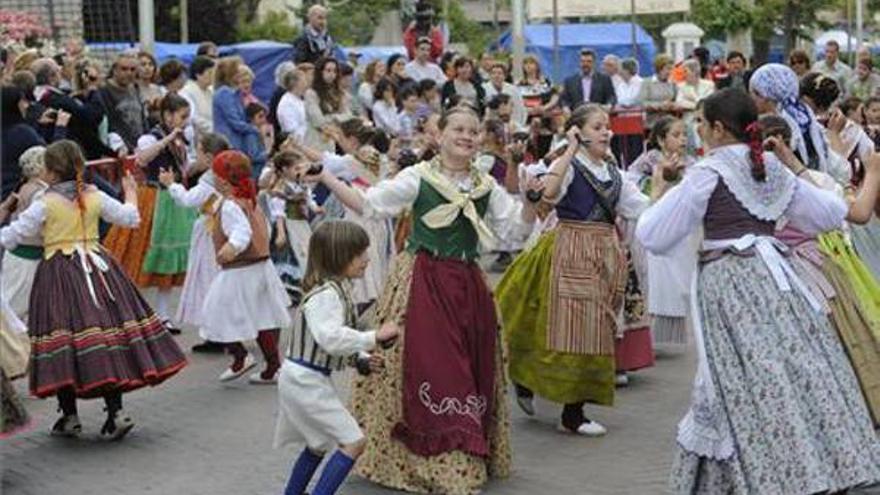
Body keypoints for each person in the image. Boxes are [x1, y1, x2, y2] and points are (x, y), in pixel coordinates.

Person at [635, 88, 880, 494]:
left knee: (737, 378)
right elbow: (828, 213)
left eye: (700, 123)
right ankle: (816, 462)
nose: (698, 131)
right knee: (795, 367)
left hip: (729, 283)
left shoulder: (708, 174)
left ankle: (761, 474)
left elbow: (654, 234)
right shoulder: (769, 167)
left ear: (716, 127)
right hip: (778, 281)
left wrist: (659, 192)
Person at [307, 105, 532, 494]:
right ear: (439, 135)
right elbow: (369, 205)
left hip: (467, 285)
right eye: (458, 129)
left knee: (471, 364)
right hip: (423, 282)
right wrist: (324, 174)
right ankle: (444, 465)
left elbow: (514, 229)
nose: (467, 136)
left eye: (473, 131)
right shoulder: (418, 177)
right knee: (435, 369)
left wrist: (531, 203)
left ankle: (465, 452)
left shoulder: (485, 185)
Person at [0, 140, 187, 440]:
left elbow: (13, 235)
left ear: (49, 171)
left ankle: (70, 415)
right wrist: (130, 194)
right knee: (105, 338)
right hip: (99, 271)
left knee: (62, 340)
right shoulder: (93, 194)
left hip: (59, 273)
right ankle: (115, 411)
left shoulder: (45, 203)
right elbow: (130, 218)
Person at [497, 104, 649, 435]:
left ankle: (570, 406)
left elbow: (643, 210)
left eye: (606, 127)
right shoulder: (566, 167)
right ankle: (570, 412)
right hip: (571, 250)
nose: (606, 132)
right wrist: (568, 149)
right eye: (597, 127)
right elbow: (547, 195)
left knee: (594, 331)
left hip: (604, 254)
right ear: (578, 132)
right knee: (570, 330)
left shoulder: (615, 174)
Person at [275, 220, 400, 495]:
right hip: (305, 380)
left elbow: (334, 342)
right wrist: (374, 337)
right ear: (337, 256)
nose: (367, 259)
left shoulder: (338, 288)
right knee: (354, 442)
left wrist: (361, 359)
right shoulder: (327, 296)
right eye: (359, 254)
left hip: (304, 378)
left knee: (318, 443)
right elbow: (330, 337)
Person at [184, 150, 291, 383]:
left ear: (222, 180)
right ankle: (272, 366)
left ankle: (240, 355)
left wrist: (231, 247)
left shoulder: (231, 205)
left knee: (214, 312)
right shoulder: (251, 199)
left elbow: (242, 232)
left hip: (240, 270)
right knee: (264, 317)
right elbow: (265, 230)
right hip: (261, 267)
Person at [103, 94, 197, 332]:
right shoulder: (150, 137)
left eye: (187, 117)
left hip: (173, 199)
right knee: (139, 256)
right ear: (167, 115)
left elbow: (185, 169)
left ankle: (163, 316)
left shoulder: (183, 139)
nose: (185, 122)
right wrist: (168, 139)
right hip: (153, 199)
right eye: (182, 116)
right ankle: (129, 314)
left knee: (167, 265)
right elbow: (142, 159)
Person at [625, 116, 696, 345]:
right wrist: (656, 182)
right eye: (676, 135)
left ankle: (665, 335)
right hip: (655, 221)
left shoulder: (691, 163)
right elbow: (632, 182)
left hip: (679, 227)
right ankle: (647, 333)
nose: (682, 139)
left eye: (684, 134)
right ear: (660, 139)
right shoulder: (649, 161)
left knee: (676, 281)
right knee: (654, 279)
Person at [162, 132, 230, 353]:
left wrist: (172, 185)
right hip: (220, 228)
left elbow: (187, 200)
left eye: (199, 153)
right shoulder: (226, 175)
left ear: (209, 157)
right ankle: (221, 332)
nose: (196, 157)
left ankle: (216, 334)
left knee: (207, 279)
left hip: (209, 232)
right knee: (217, 279)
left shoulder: (208, 182)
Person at [1, 146, 48, 327]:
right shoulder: (40, 192)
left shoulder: (25, 187)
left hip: (20, 255)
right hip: (27, 257)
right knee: (13, 309)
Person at [212, 57, 262, 165]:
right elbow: (235, 122)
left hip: (237, 143)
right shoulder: (224, 93)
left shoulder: (234, 93)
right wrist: (255, 129)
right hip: (230, 144)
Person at [98, 52, 148, 152]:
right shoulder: (104, 90)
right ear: (114, 70)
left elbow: (143, 119)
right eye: (124, 69)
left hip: (140, 147)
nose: (129, 73)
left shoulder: (135, 88)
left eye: (133, 69)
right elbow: (109, 123)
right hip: (119, 148)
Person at [305, 57, 350, 152]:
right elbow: (318, 121)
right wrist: (336, 118)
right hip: (315, 140)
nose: (332, 74)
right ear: (320, 72)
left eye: (334, 71)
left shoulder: (338, 93)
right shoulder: (311, 93)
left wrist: (334, 118)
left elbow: (348, 115)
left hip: (333, 139)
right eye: (328, 70)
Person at [676, 58, 715, 152]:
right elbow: (679, 103)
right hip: (688, 122)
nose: (683, 74)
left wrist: (690, 102)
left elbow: (709, 102)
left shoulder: (709, 84)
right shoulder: (680, 86)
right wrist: (698, 104)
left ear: (695, 71)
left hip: (705, 122)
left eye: (686, 71)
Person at [180, 55, 216, 137]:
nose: (213, 76)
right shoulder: (187, 92)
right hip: (196, 136)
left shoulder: (210, 91)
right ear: (198, 74)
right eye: (209, 73)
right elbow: (193, 117)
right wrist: (213, 128)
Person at [483, 62, 526, 126]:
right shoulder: (483, 89)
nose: (496, 76)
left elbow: (520, 109)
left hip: (511, 124)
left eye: (499, 73)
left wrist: (518, 125)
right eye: (493, 73)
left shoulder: (513, 90)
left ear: (505, 76)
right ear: (489, 75)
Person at [276, 69, 309, 142]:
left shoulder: (301, 100)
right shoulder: (286, 104)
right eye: (304, 81)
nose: (307, 84)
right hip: (299, 144)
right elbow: (292, 131)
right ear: (295, 83)